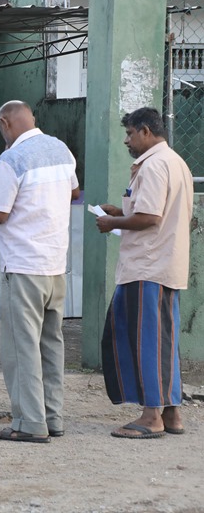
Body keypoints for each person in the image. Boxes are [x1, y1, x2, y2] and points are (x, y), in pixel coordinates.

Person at [0, 100, 79, 443]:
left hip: (22, 266)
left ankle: (29, 423)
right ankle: (54, 417)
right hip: (55, 265)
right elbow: (74, 191)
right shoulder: (61, 149)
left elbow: (1, 213)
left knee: (22, 349)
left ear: (5, 123)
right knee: (52, 346)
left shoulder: (12, 160)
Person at [95, 107, 193, 439]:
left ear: (147, 132)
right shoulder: (175, 161)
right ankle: (171, 413)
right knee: (165, 339)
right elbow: (151, 212)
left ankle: (151, 416)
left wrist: (112, 223)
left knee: (146, 341)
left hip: (147, 266)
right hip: (165, 263)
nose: (127, 140)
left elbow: (149, 217)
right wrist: (119, 211)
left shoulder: (153, 165)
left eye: (130, 133)